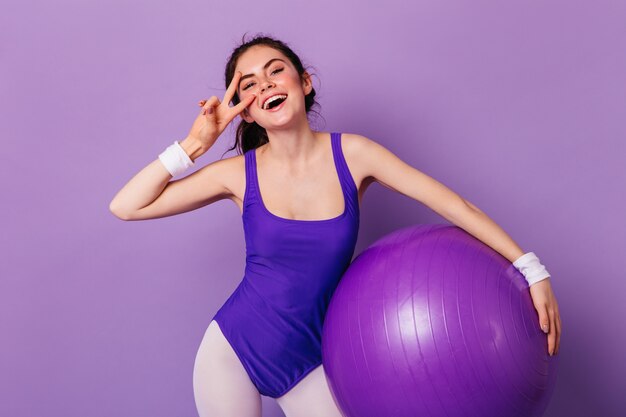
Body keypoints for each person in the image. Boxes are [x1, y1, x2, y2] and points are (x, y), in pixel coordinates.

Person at [109, 35, 562, 417]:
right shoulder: (236, 174)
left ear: (303, 83)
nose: (265, 84)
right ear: (245, 110)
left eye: (275, 71)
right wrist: (194, 144)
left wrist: (531, 268)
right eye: (249, 84)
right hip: (233, 351)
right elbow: (126, 206)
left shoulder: (355, 155)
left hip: (313, 358)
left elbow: (452, 204)